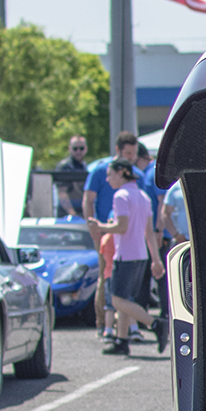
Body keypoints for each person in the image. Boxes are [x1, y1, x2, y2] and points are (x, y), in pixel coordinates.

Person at [86, 160, 166, 356]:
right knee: (125, 299)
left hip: (125, 256)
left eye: (110, 174)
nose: (107, 179)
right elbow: (149, 231)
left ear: (121, 173)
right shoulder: (143, 196)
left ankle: (154, 324)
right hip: (140, 256)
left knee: (117, 301)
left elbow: (121, 227)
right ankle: (122, 341)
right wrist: (155, 259)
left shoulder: (121, 196)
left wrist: (100, 227)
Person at [84, 132, 139, 338]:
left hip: (125, 236)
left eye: (134, 153)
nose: (132, 157)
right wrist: (94, 230)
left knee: (124, 285)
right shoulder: (101, 171)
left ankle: (124, 328)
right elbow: (88, 200)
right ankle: (102, 324)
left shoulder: (133, 174)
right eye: (128, 153)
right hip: (106, 232)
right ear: (118, 150)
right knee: (105, 278)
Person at [51, 135, 88, 218]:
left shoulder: (84, 166)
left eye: (81, 148)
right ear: (69, 149)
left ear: (86, 149)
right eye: (75, 148)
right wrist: (73, 215)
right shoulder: (64, 166)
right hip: (66, 217)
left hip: (81, 215)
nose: (78, 151)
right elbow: (62, 193)